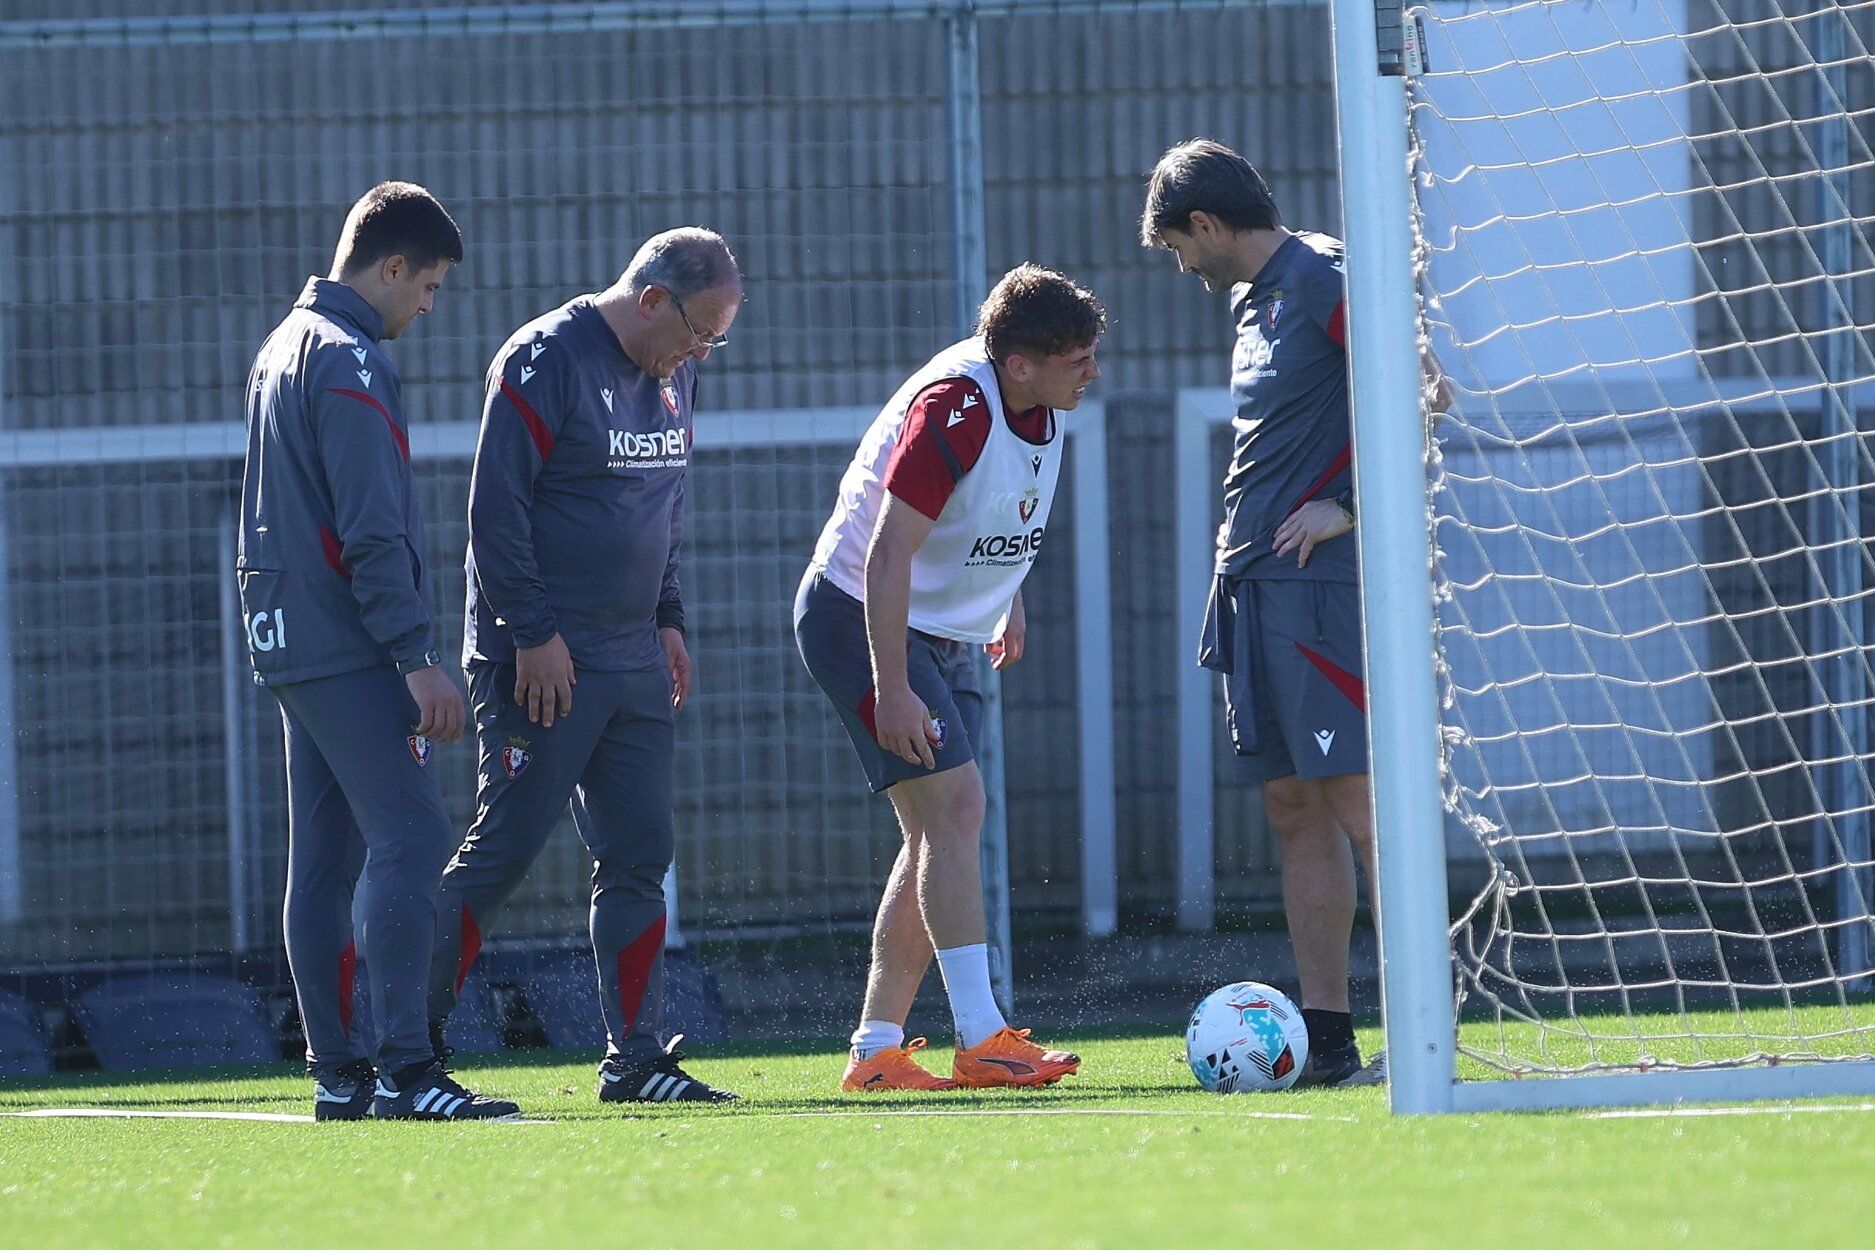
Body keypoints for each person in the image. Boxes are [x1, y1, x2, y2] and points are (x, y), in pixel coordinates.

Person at [1140, 139, 1453, 1087]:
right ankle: (1329, 1044)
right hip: (1255, 583)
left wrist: (1347, 505)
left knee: (1361, 801)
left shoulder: (1322, 278)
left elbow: (1428, 393)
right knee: (1289, 807)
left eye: (1175, 247)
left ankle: (1425, 1033)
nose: (1180, 266)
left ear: (1205, 224)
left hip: (1322, 586)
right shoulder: (1251, 298)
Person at [425, 228, 741, 1105]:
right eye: (700, 332)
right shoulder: (542, 358)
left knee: (640, 854)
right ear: (650, 301)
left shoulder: (675, 370)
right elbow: (494, 512)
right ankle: (404, 1054)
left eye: (717, 338)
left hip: (634, 653)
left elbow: (664, 501)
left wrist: (669, 618)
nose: (702, 352)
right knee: (505, 849)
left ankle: (634, 1060)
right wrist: (531, 633)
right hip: (542, 660)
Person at [238, 182, 517, 1121]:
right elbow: (368, 525)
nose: (427, 306)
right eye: (429, 285)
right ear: (390, 266)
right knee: (413, 836)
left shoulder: (281, 343)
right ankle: (407, 1069)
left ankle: (339, 1076)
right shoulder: (348, 356)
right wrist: (413, 654)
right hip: (350, 641)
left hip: (290, 636)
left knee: (320, 861)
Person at [796, 263, 1105, 1092]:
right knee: (957, 808)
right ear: (1018, 364)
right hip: (862, 622)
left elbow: (998, 504)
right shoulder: (955, 407)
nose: (1092, 372)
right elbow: (887, 552)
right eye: (1077, 358)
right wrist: (889, 685)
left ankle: (876, 1052)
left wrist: (1005, 598)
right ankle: (981, 1035)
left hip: (943, 630)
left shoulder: (1039, 396)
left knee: (936, 830)